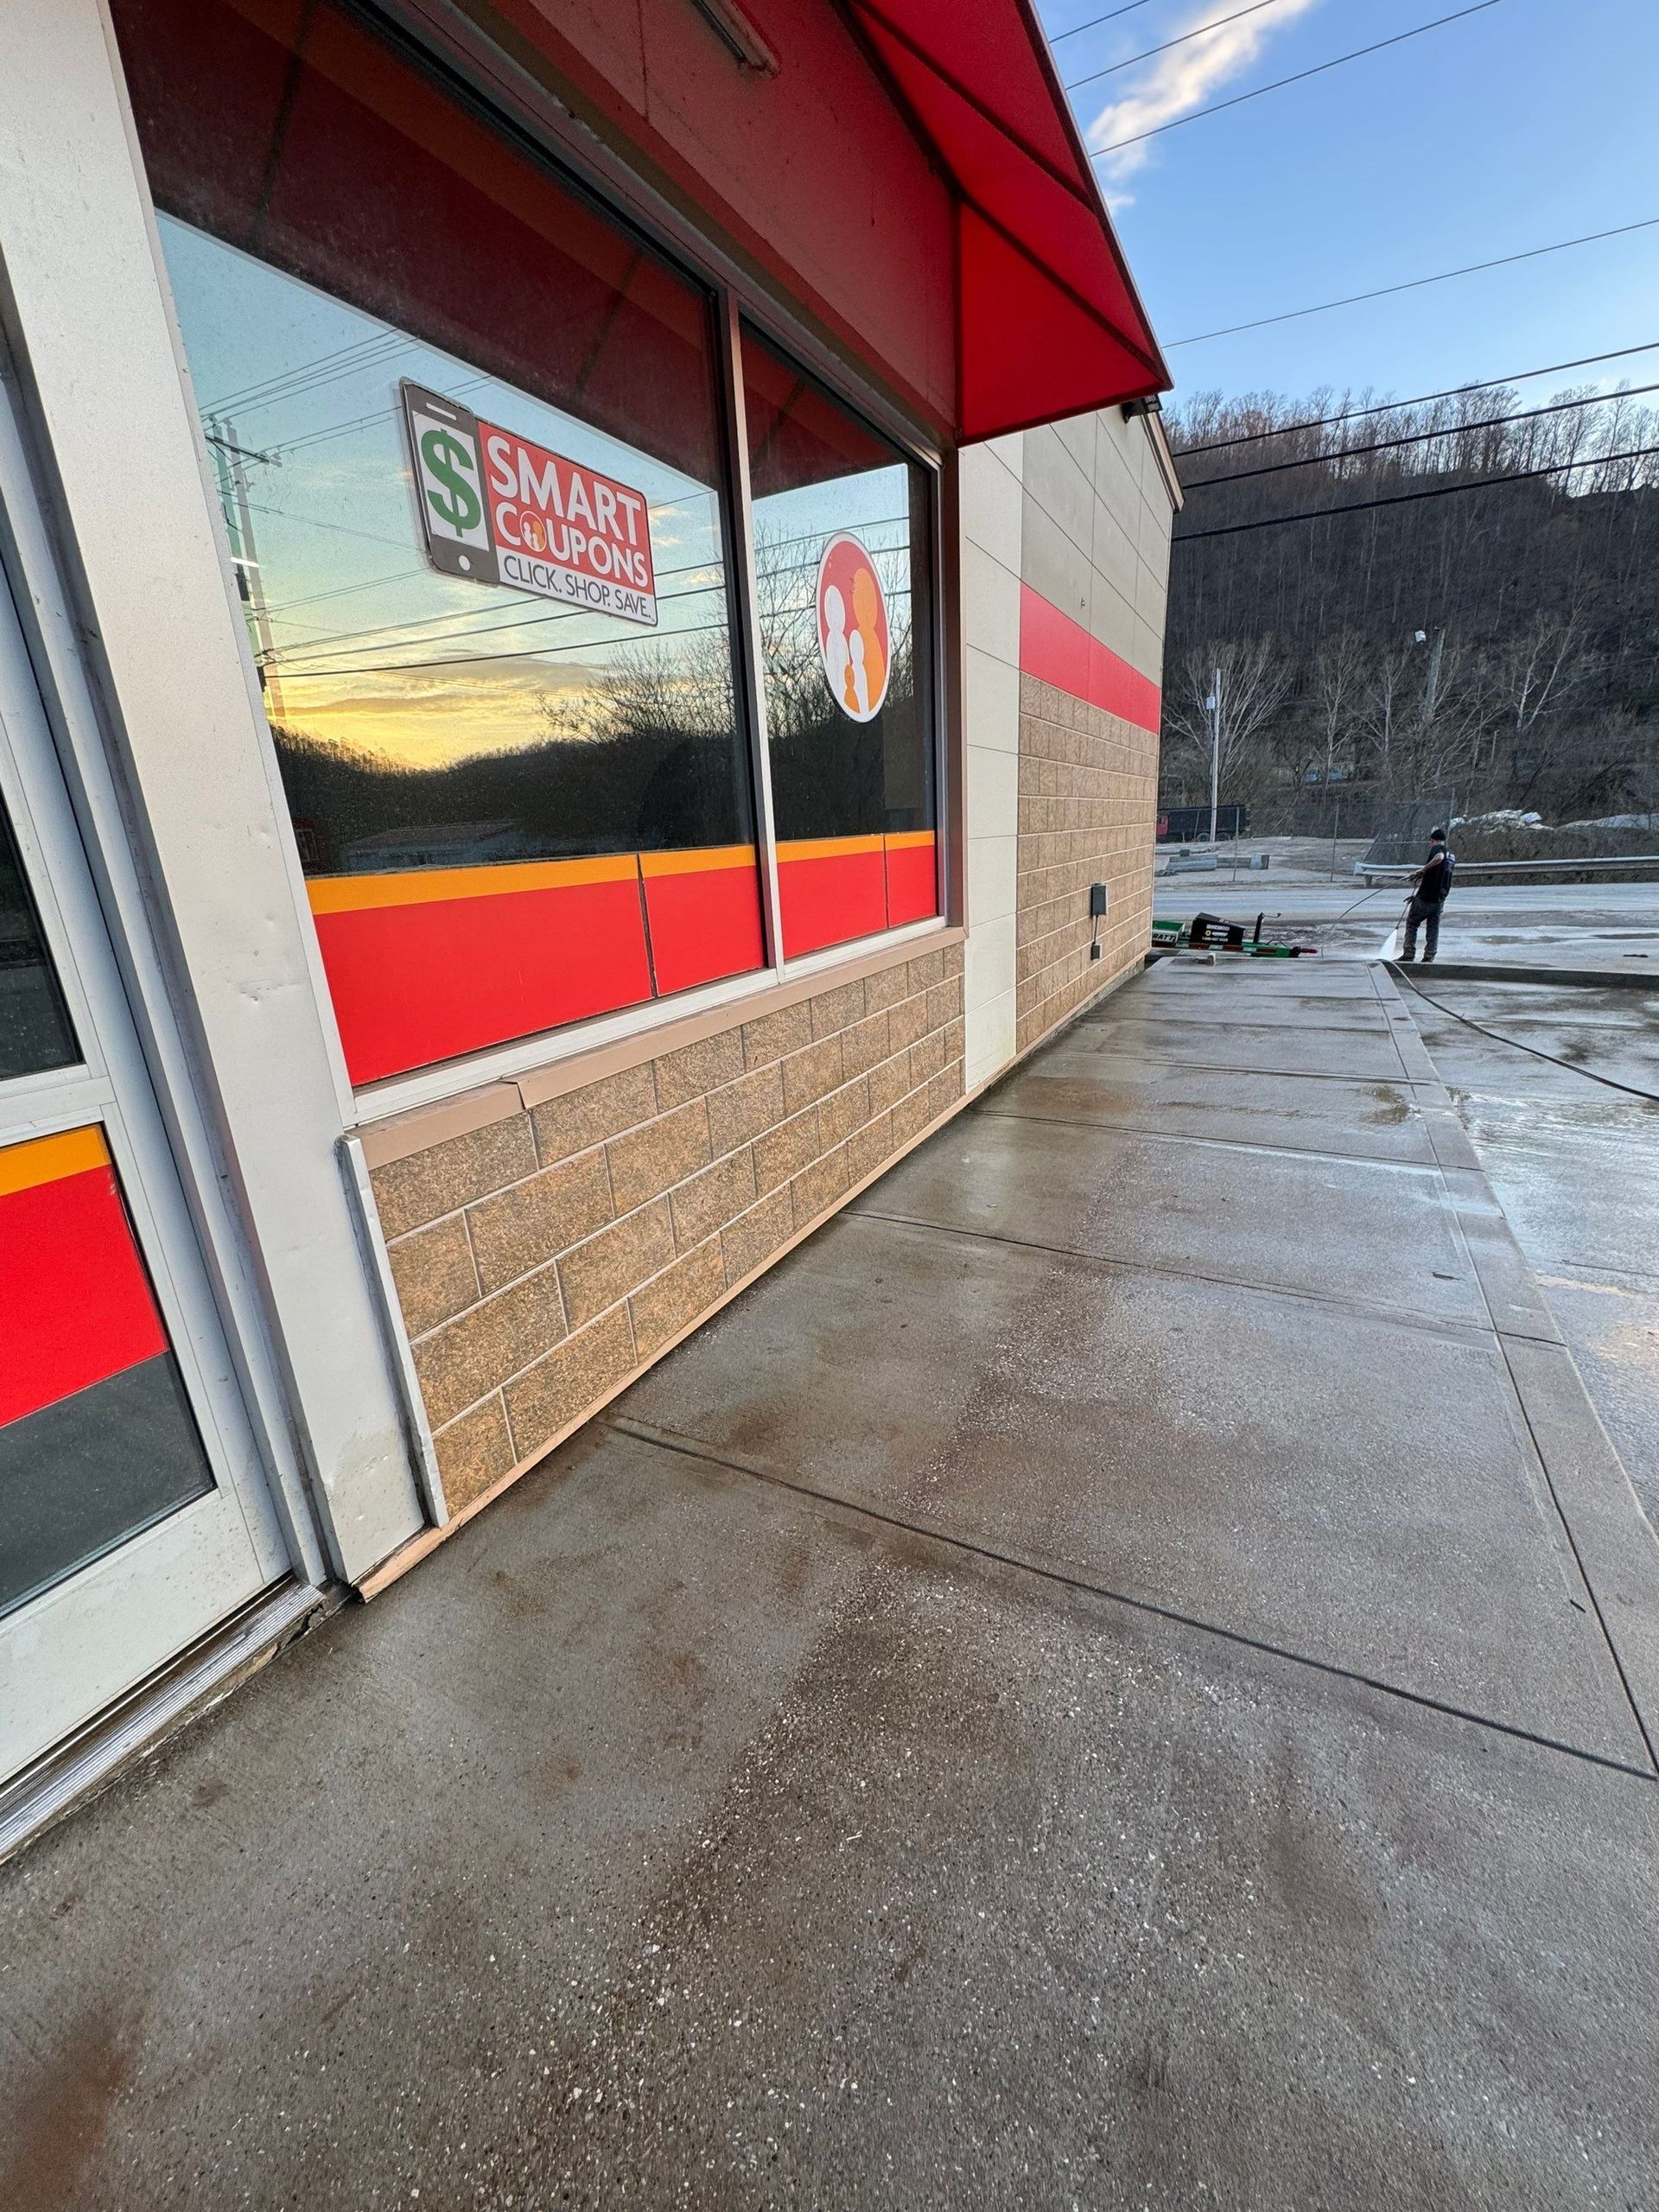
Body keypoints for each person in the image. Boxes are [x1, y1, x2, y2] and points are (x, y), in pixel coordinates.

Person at [1402, 827, 1456, 963]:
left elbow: (1439, 858)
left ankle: (1409, 954)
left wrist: (1422, 869)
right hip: (1440, 898)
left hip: (1427, 897)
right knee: (1433, 927)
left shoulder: (1438, 849)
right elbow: (1439, 876)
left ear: (1433, 841)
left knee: (1412, 923)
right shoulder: (1451, 856)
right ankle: (1429, 956)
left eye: (1430, 842)